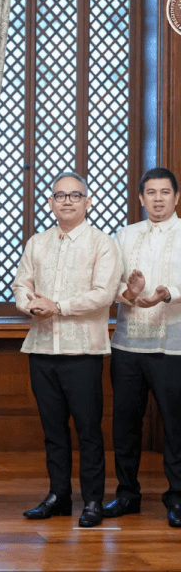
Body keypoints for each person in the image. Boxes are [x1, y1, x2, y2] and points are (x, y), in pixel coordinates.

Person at [13, 171, 122, 528]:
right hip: (42, 349)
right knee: (53, 430)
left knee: (89, 430)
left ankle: (92, 501)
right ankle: (58, 496)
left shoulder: (102, 243)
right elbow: (21, 283)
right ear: (51, 203)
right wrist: (30, 305)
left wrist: (57, 305)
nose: (67, 201)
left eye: (75, 196)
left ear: (88, 202)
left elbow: (103, 294)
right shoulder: (37, 242)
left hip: (83, 352)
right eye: (60, 196)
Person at [105, 167, 181, 528]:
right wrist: (131, 293)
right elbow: (115, 285)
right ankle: (126, 494)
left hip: (172, 346)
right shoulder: (126, 234)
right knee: (125, 423)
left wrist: (168, 293)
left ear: (176, 197)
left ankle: (177, 498)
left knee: (175, 425)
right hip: (128, 344)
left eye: (165, 192)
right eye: (151, 193)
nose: (158, 199)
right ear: (140, 198)